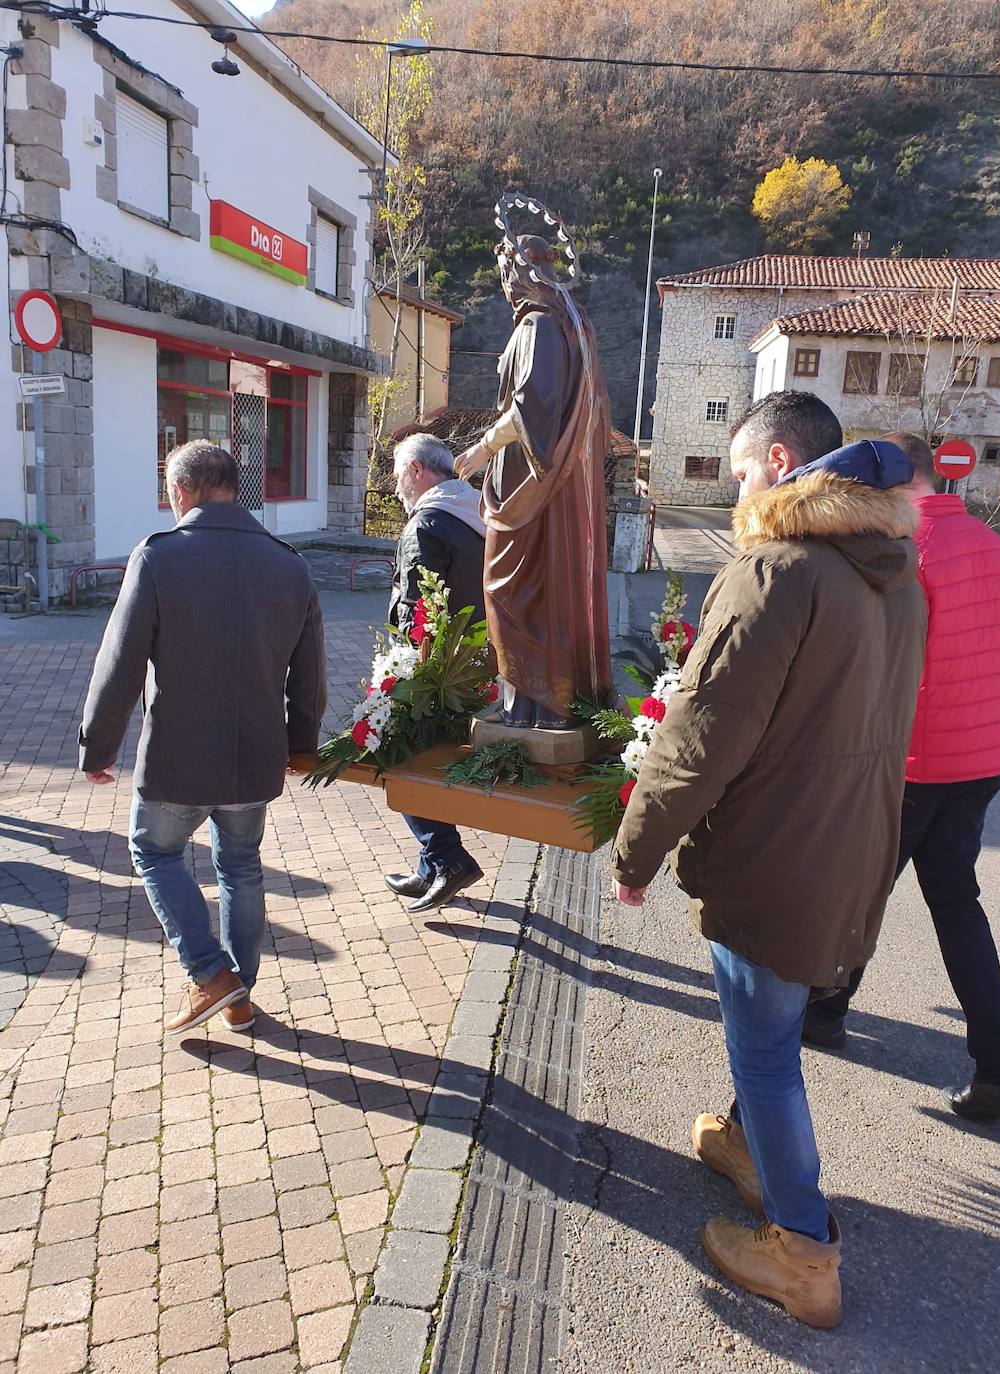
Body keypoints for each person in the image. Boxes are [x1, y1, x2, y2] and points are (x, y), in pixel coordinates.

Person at [611, 391, 926, 1328]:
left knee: (766, 1044)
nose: (741, 489)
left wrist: (635, 852)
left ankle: (802, 1250)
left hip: (775, 854)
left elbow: (698, 739)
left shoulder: (775, 572)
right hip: (852, 842)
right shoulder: (895, 576)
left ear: (780, 463)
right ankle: (748, 1147)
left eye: (743, 471)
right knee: (773, 1029)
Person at [803, 431, 1000, 1121]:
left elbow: (878, 668)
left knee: (859, 890)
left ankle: (825, 1012)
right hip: (982, 757)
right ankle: (998, 1068)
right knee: (954, 902)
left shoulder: (899, 554)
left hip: (913, 761)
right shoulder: (994, 547)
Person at [79, 440, 326, 1034]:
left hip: (178, 758)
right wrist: (301, 745)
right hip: (254, 757)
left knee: (155, 850)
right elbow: (311, 674)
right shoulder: (289, 563)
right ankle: (238, 996)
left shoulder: (160, 557)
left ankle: (210, 974)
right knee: (241, 866)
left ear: (180, 492)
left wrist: (99, 746)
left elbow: (121, 659)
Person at [455, 226, 611, 727]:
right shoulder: (571, 325)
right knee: (541, 591)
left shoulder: (539, 326)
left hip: (529, 486)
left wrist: (480, 450)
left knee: (511, 590)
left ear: (519, 270)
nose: (503, 284)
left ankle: (533, 705)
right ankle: (532, 706)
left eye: (504, 272)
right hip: (551, 481)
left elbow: (530, 408)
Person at [385, 433, 487, 912]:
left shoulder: (427, 522)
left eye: (398, 472)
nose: (395, 483)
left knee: (395, 753)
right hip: (480, 663)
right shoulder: (481, 512)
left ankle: (446, 858)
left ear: (418, 471)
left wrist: (404, 671)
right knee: (431, 760)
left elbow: (417, 609)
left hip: (437, 669)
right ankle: (431, 865)